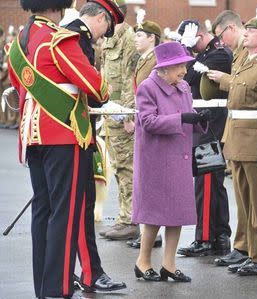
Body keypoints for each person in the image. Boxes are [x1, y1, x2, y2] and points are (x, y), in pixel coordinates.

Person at [6, 0, 110, 297]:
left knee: (43, 210)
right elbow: (96, 86)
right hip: (64, 133)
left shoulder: (18, 44)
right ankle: (59, 288)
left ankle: (44, 286)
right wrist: (106, 87)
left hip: (32, 136)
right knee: (64, 213)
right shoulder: (60, 39)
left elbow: (19, 85)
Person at [207, 5, 257, 276]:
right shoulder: (242, 59)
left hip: (254, 137)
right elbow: (237, 88)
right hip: (236, 135)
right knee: (244, 199)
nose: (246, 33)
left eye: (253, 31)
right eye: (246, 29)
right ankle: (244, 246)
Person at [132, 41, 209, 283]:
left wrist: (200, 119)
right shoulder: (147, 87)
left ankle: (169, 264)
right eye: (180, 67)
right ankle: (143, 261)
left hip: (179, 156)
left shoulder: (184, 86)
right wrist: (181, 118)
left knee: (177, 213)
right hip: (156, 159)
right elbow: (148, 122)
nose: (185, 71)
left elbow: (188, 117)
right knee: (155, 214)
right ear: (165, 68)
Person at [64, 0, 127, 292]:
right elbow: (91, 92)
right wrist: (105, 94)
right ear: (101, 18)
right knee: (81, 207)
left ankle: (64, 274)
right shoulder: (78, 40)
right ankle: (91, 273)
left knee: (63, 210)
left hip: (60, 133)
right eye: (106, 29)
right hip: (74, 133)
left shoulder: (66, 33)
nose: (103, 37)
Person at [176, 20, 233, 257]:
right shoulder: (208, 54)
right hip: (205, 122)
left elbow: (186, 77)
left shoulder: (219, 54)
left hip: (212, 124)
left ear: (198, 35)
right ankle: (220, 236)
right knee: (212, 183)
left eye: (189, 41)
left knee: (207, 182)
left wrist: (186, 52)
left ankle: (206, 238)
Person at [207, 10, 250, 268]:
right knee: (242, 197)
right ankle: (242, 246)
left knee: (250, 198)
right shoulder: (241, 52)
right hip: (236, 129)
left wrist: (225, 80)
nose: (221, 42)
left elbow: (252, 87)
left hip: (250, 131)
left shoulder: (251, 51)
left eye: (221, 36)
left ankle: (252, 249)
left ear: (231, 28)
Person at [99, 0, 140, 241]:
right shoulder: (110, 37)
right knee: (118, 167)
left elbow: (130, 80)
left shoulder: (128, 38)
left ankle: (131, 220)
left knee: (127, 168)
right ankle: (125, 217)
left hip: (120, 114)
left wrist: (126, 114)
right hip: (110, 112)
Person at [126, 20, 164, 250]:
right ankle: (146, 233)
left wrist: (138, 117)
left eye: (141, 35)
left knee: (150, 180)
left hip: (151, 123)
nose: (136, 38)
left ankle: (152, 234)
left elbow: (155, 96)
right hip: (142, 120)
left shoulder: (156, 60)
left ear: (152, 38)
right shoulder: (144, 60)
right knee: (143, 179)